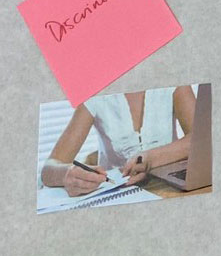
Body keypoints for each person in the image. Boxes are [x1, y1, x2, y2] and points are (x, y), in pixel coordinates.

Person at [39, 84, 196, 197]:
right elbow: (48, 169)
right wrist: (67, 174)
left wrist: (152, 158)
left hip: (171, 190)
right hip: (117, 196)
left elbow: (202, 139)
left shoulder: (174, 84)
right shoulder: (95, 93)